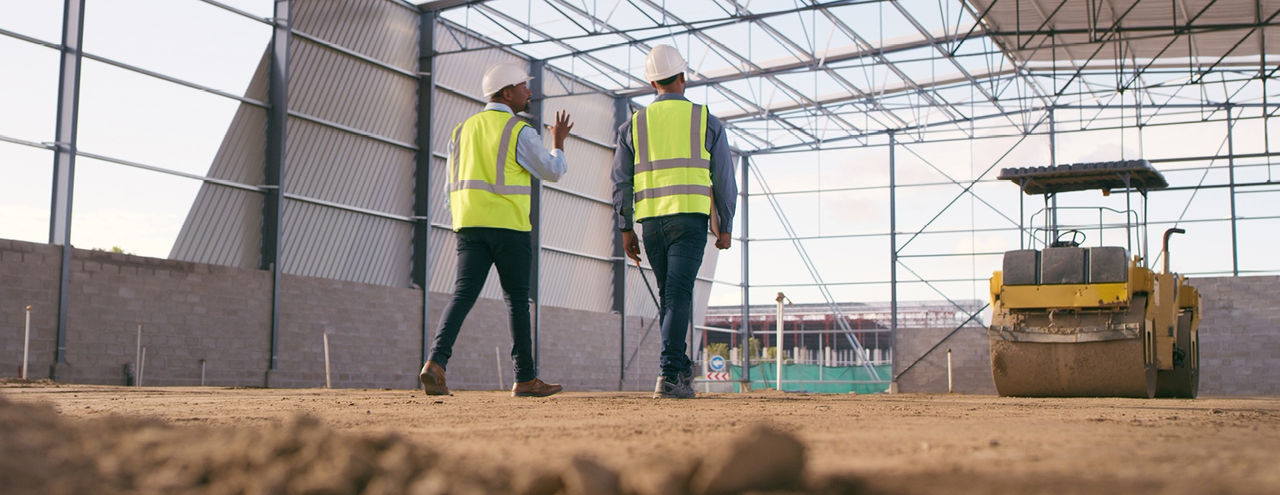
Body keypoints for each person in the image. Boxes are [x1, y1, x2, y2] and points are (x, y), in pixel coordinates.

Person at [420, 62, 573, 398]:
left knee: (462, 296)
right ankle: (525, 378)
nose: (529, 92)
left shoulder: (462, 129)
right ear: (507, 93)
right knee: (518, 302)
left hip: (469, 225)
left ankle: (435, 362)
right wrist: (558, 142)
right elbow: (552, 171)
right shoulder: (518, 130)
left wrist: (462, 216)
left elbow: (450, 184)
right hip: (509, 228)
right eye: (523, 87)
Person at [611, 45, 737, 399]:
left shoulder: (632, 126)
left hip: (651, 224)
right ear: (684, 76)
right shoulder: (705, 120)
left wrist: (625, 228)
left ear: (652, 81)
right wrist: (725, 225)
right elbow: (724, 178)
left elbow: (621, 181)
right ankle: (668, 373)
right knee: (678, 295)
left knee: (671, 296)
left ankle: (680, 369)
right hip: (689, 220)